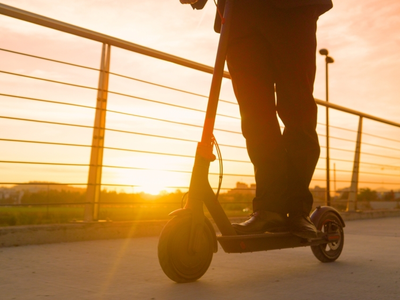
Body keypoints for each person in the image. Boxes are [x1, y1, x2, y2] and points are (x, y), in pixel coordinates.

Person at [181, 0, 333, 239]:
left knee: (298, 110)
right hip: (239, 16)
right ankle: (269, 208)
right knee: (255, 117)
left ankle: (296, 210)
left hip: (293, 12)